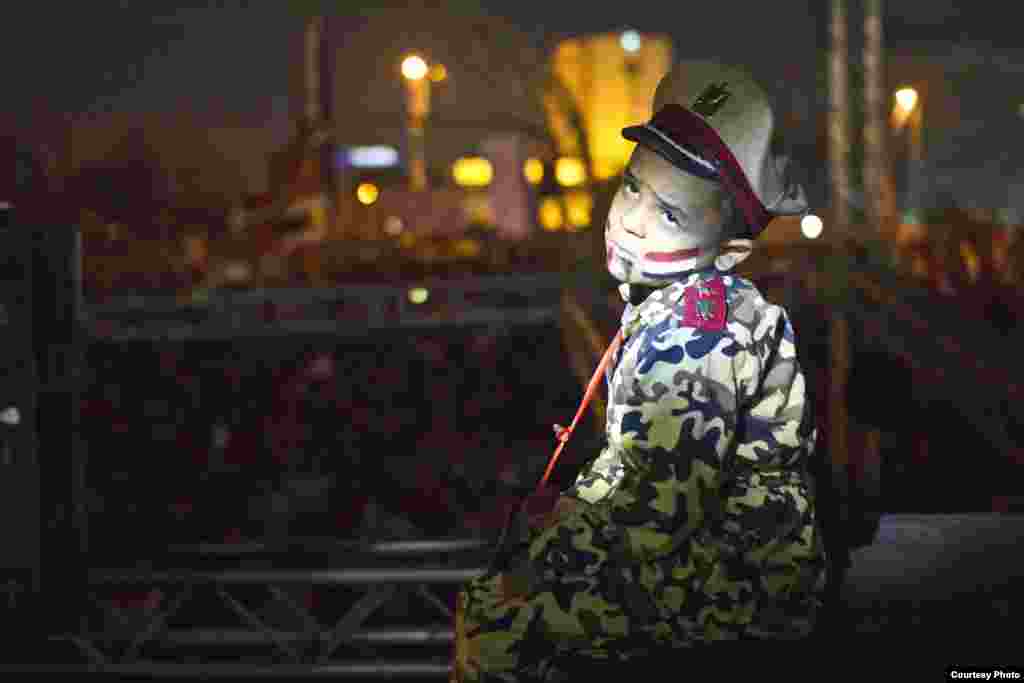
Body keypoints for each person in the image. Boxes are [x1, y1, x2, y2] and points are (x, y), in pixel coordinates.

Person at [451, 60, 829, 682]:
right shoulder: (678, 306)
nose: (631, 220)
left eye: (672, 216)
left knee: (499, 624)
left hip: (742, 586)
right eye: (632, 188)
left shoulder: (697, 334)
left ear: (730, 252)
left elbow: (654, 514)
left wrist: (537, 561)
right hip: (731, 563)